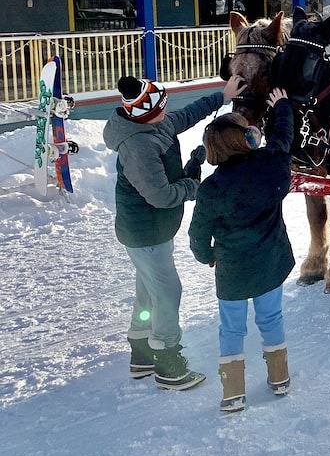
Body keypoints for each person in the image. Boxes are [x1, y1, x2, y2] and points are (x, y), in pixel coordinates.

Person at [103, 73, 244, 390]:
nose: (167, 112)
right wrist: (193, 186)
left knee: (148, 290)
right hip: (145, 233)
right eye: (162, 108)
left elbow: (187, 114)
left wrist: (222, 96)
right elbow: (161, 196)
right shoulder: (138, 145)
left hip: (155, 230)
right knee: (168, 292)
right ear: (148, 113)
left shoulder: (152, 123)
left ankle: (141, 353)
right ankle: (168, 362)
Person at [189, 88, 295, 413]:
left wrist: (208, 256)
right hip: (271, 263)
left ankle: (233, 393)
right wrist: (282, 107)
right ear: (245, 140)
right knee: (271, 318)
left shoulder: (211, 189)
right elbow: (282, 139)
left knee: (232, 329)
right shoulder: (271, 166)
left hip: (233, 271)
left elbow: (198, 235)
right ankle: (280, 378)